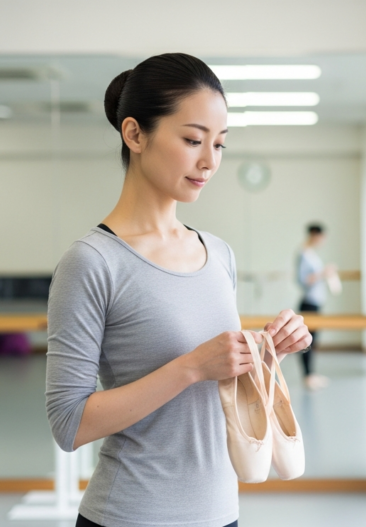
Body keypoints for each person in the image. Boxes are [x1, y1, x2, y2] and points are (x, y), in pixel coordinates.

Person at [45, 53, 312, 527]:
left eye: (220, 144)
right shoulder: (91, 262)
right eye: (192, 140)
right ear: (135, 134)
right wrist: (190, 368)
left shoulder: (219, 254)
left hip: (220, 513)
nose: (209, 162)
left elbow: (218, 385)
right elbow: (69, 423)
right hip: (131, 515)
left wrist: (267, 355)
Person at [296, 223, 336, 390]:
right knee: (306, 341)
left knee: (313, 340)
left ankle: (311, 374)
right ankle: (307, 376)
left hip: (316, 303)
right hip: (309, 303)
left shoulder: (311, 254)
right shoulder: (304, 254)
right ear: (314, 235)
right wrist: (323, 273)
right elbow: (304, 280)